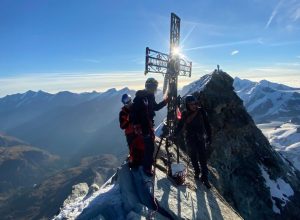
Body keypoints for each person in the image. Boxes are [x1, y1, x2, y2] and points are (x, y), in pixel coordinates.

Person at [131, 77, 168, 176]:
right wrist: (137, 125)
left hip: (147, 125)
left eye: (155, 87)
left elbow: (154, 107)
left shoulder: (149, 96)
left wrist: (165, 102)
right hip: (144, 126)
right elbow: (134, 112)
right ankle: (147, 168)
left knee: (148, 146)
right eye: (154, 87)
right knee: (149, 147)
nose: (155, 89)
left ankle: (145, 164)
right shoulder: (141, 97)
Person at [174, 95, 212, 188]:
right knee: (193, 156)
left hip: (200, 138)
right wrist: (174, 134)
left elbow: (207, 125)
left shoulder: (201, 112)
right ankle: (197, 171)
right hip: (190, 138)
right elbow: (180, 125)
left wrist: (209, 137)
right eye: (191, 104)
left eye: (195, 104)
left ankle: (205, 177)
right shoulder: (185, 114)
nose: (194, 106)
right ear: (187, 105)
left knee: (203, 158)